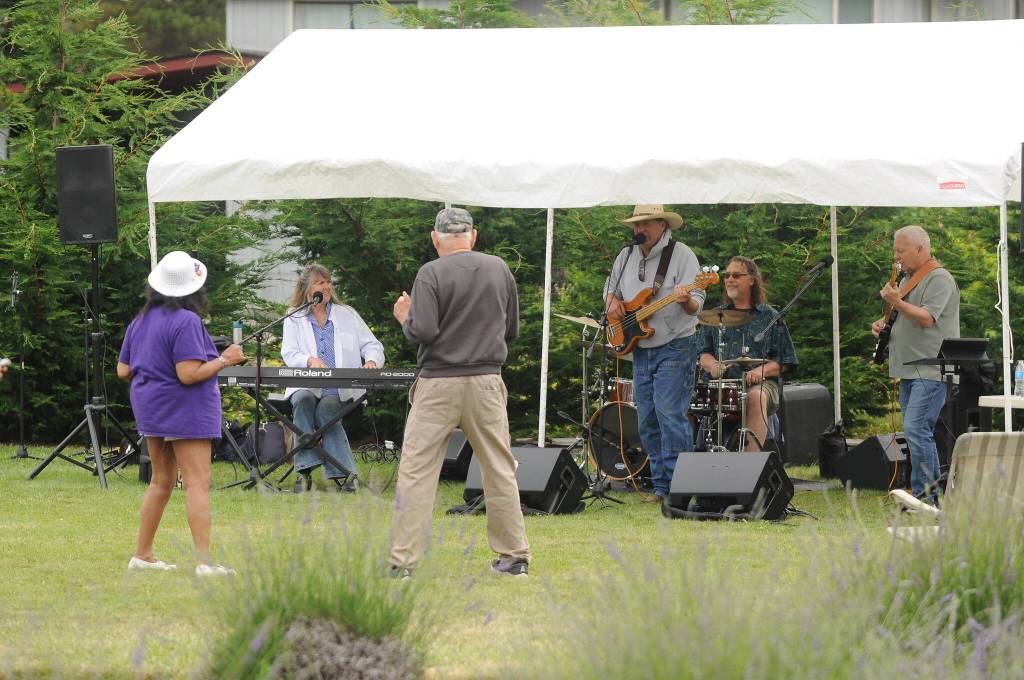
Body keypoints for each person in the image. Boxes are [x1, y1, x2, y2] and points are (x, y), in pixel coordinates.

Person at [389, 207, 529, 579]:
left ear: (435, 239)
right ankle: (514, 558)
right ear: (474, 235)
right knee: (499, 468)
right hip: (486, 381)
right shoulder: (499, 268)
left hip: (437, 383)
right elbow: (511, 329)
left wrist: (405, 318)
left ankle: (403, 563)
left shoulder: (430, 273)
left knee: (417, 471)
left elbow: (426, 331)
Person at [117, 251, 245, 576]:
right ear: (192, 289)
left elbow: (123, 370)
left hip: (150, 407)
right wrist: (225, 359)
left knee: (161, 481)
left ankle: (142, 555)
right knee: (197, 482)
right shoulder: (187, 321)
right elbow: (188, 374)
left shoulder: (140, 320)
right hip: (185, 408)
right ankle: (204, 562)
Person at [604, 205, 705, 502]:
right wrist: (611, 301)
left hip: (676, 343)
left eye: (645, 223)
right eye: (636, 224)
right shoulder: (625, 255)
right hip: (642, 348)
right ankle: (662, 488)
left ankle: (682, 487)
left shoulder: (683, 254)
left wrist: (685, 300)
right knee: (647, 420)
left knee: (670, 416)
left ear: (662, 225)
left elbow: (697, 302)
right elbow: (610, 289)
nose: (639, 230)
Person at [871, 225, 960, 504]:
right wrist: (884, 325)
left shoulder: (939, 278)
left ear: (920, 249)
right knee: (915, 430)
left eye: (901, 250)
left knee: (917, 429)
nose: (896, 257)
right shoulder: (911, 279)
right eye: (895, 250)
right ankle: (923, 492)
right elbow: (906, 318)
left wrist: (896, 301)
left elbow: (926, 318)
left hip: (931, 368)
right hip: (910, 368)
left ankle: (928, 496)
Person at [281, 263, 385, 492]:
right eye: (320, 282)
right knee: (303, 400)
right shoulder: (294, 316)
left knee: (326, 410)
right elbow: (289, 352)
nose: (327, 286)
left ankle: (345, 474)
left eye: (329, 282)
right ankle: (305, 471)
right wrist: (309, 360)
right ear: (308, 288)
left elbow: (372, 345)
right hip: (306, 384)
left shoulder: (347, 314)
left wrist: (372, 361)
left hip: (338, 389)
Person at [698, 256, 798, 452]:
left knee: (755, 397)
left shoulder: (770, 317)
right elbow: (703, 353)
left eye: (736, 275)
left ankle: (750, 466)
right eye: (727, 275)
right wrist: (712, 365)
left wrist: (761, 371)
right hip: (721, 385)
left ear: (752, 280)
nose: (729, 279)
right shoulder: (715, 316)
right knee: (686, 401)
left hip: (761, 384)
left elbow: (785, 361)